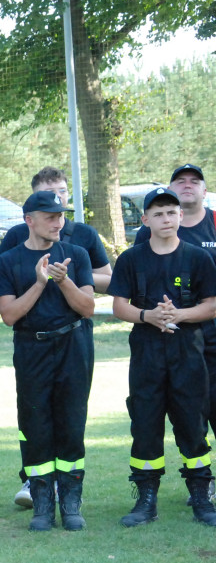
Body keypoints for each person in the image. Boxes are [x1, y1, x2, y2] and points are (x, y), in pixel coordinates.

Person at [0, 167, 111, 508]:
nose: (58, 222)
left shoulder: (79, 252)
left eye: (61, 216)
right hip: (32, 347)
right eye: (50, 217)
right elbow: (9, 315)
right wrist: (40, 282)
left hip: (73, 345)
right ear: (29, 220)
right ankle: (40, 499)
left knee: (72, 420)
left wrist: (64, 281)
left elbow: (87, 307)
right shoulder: (9, 259)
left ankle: (71, 500)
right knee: (36, 421)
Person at [109, 187, 216, 527]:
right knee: (145, 425)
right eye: (158, 213)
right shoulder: (131, 258)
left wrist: (179, 315)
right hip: (147, 352)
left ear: (180, 216)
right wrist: (149, 316)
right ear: (145, 220)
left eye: (171, 212)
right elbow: (119, 306)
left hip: (188, 351)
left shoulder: (199, 258)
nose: (166, 218)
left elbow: (212, 305)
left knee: (192, 423)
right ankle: (146, 500)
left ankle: (201, 497)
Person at [135, 165, 216, 487]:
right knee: (187, 415)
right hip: (173, 343)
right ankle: (200, 488)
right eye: (180, 181)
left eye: (194, 181)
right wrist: (160, 314)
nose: (187, 185)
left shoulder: (214, 223)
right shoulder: (149, 233)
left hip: (212, 337)